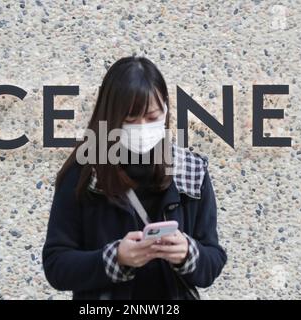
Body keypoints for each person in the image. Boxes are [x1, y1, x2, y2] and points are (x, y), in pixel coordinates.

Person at [42, 56, 227, 299]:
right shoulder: (84, 172)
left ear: (166, 110)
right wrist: (116, 257)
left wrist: (187, 253)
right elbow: (56, 265)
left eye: (152, 117)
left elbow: (213, 260)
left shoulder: (190, 170)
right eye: (130, 119)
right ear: (110, 117)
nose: (142, 127)